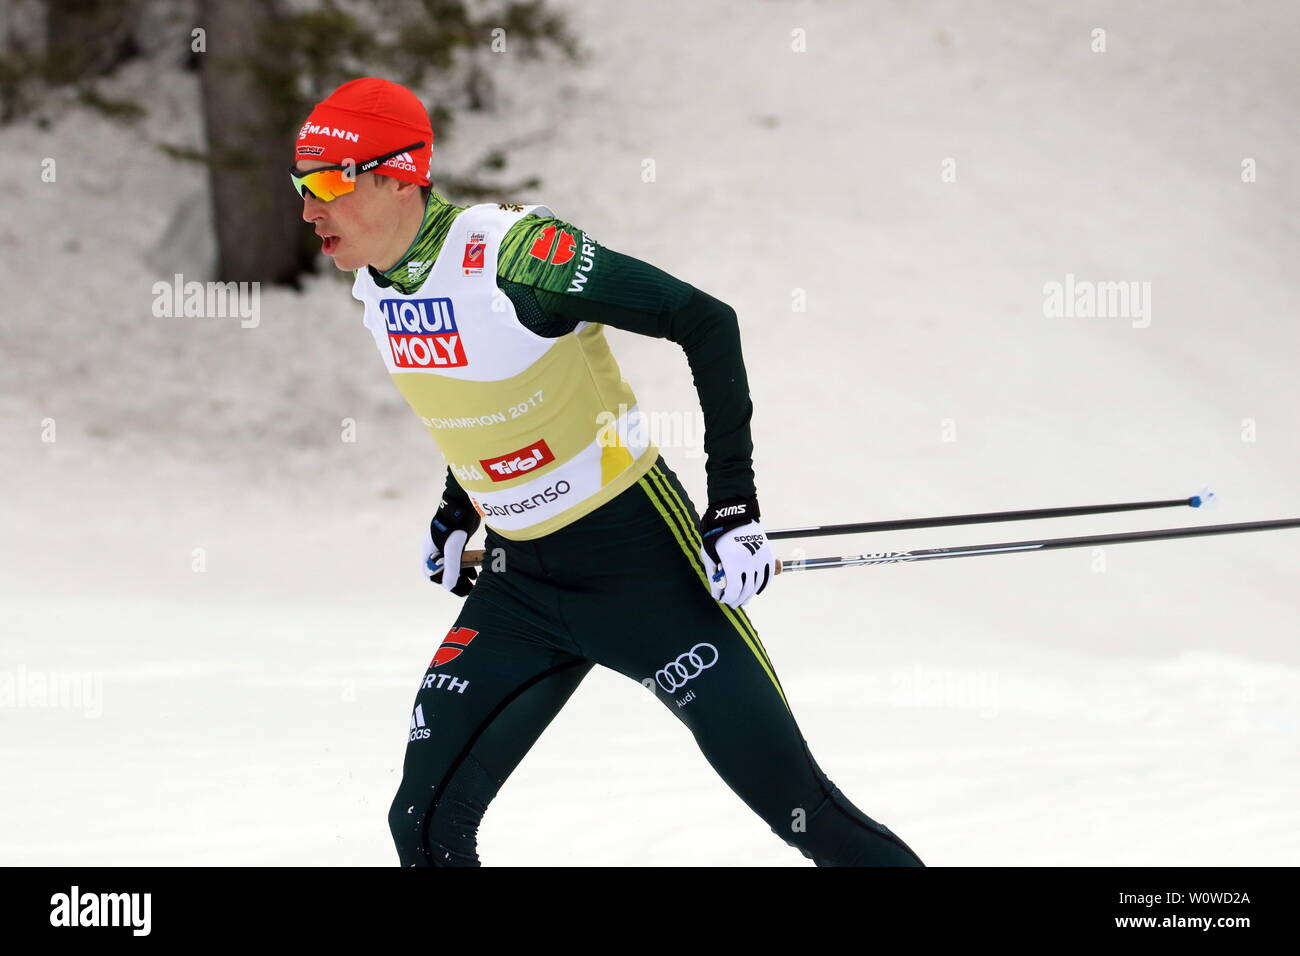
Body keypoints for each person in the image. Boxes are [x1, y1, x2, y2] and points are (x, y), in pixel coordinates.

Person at [291, 76, 924, 866]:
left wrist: (733, 508)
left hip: (640, 564)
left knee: (804, 812)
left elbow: (704, 320)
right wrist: (460, 508)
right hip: (520, 585)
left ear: (396, 174)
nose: (308, 209)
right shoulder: (378, 285)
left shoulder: (516, 258)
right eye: (298, 186)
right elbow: (477, 394)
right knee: (421, 826)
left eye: (323, 184)